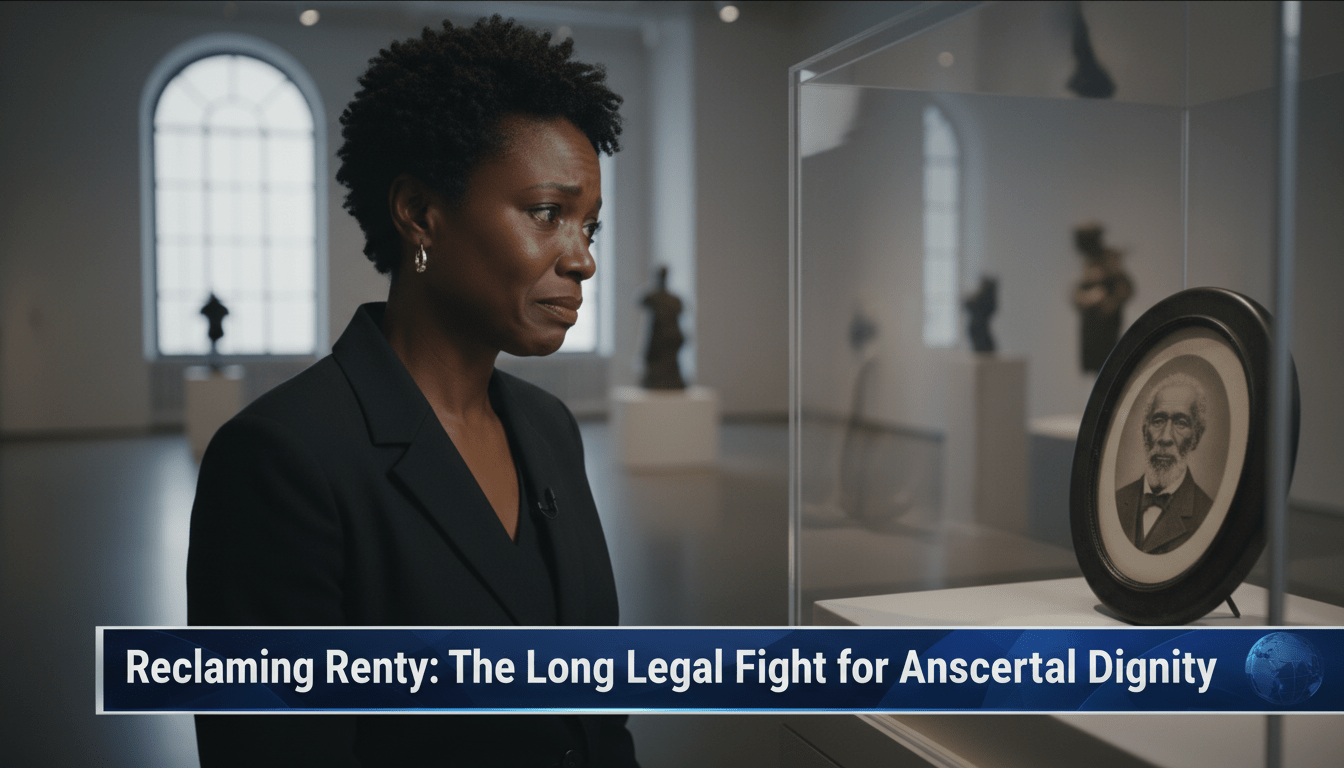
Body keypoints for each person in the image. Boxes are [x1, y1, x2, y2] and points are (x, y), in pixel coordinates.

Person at [186, 17, 637, 767]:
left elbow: (599, 717)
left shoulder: (551, 428)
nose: (583, 259)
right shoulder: (281, 461)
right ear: (420, 213)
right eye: (547, 214)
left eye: (590, 225)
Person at [1115, 373, 1215, 555]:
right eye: (1158, 421)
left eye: (1180, 423)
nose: (1165, 437)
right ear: (1145, 431)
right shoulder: (1115, 502)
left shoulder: (1209, 515)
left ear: (1196, 437)